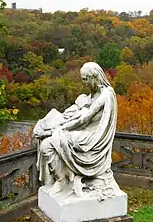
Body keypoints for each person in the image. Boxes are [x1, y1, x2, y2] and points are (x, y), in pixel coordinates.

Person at [34, 62, 120, 199]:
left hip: (92, 138)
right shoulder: (90, 96)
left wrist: (55, 131)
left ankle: (64, 181)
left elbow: (84, 119)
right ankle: (62, 179)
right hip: (82, 132)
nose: (83, 82)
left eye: (85, 79)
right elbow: (76, 115)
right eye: (82, 78)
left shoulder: (106, 94)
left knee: (49, 144)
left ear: (95, 77)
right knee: (46, 144)